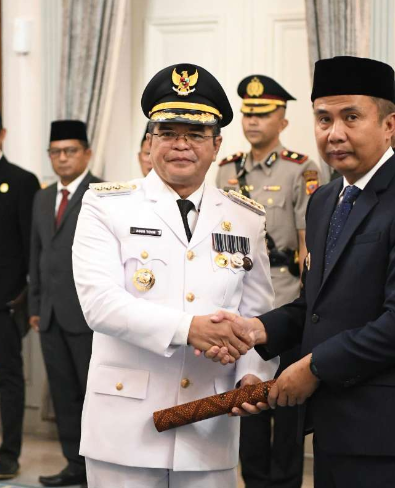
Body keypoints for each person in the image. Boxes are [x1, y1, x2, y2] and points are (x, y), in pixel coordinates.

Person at [210, 56, 395, 488]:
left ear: (389, 124)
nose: (335, 133)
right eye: (324, 119)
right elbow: (314, 305)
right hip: (331, 422)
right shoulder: (326, 200)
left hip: (388, 431)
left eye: (351, 117)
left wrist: (313, 368)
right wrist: (257, 329)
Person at [71, 63, 278, 488]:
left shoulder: (245, 218)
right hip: (124, 429)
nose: (181, 144)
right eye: (167, 132)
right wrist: (189, 329)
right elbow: (100, 305)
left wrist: (253, 376)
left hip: (210, 426)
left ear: (217, 144)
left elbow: (258, 314)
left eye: (196, 134)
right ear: (150, 142)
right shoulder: (106, 205)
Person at [216, 74, 320, 488]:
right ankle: (255, 481)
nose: (253, 121)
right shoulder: (226, 170)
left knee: (288, 408)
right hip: (241, 306)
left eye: (263, 114)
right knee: (249, 404)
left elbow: (308, 245)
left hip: (285, 302)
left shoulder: (300, 169)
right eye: (247, 114)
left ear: (284, 120)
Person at [29, 120, 101, 487]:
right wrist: (35, 306)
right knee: (63, 394)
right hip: (50, 315)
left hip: (89, 315)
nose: (62, 158)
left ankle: (99, 467)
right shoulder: (43, 197)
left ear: (87, 153)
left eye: (70, 150)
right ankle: (74, 464)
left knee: (94, 395)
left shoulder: (103, 193)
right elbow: (37, 254)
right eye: (55, 152)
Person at [0, 115, 40, 480]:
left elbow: (32, 249)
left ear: (2, 134)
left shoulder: (21, 181)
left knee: (9, 381)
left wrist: (25, 300)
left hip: (5, 304)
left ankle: (8, 454)